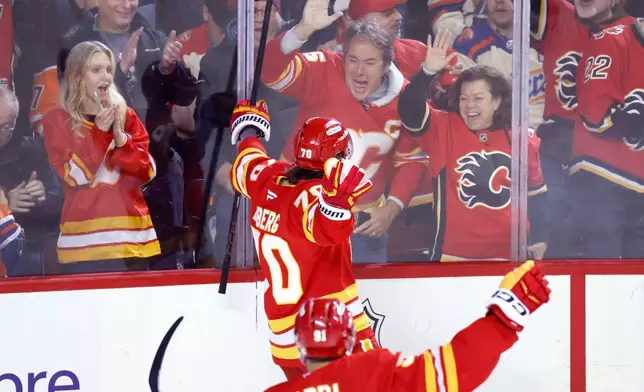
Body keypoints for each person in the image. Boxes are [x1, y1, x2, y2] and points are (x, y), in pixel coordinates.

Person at [262, 0, 429, 263]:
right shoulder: (323, 68)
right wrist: (301, 31)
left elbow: (413, 159)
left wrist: (392, 208)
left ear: (386, 65)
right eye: (353, 60)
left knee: (356, 304)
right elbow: (270, 72)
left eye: (370, 63)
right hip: (298, 216)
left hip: (360, 230)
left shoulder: (407, 100)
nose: (359, 71)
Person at [229, 99, 379, 380]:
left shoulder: (267, 176)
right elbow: (327, 229)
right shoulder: (315, 196)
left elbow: (248, 161)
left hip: (286, 338)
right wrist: (336, 202)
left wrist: (250, 132)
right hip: (332, 327)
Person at [266, 260, 551, 392]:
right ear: (350, 339)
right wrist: (504, 317)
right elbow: (456, 368)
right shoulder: (375, 369)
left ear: (299, 348)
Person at [398, 29, 549, 261]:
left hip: (507, 260)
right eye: (463, 98)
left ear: (497, 101)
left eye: (478, 98)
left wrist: (542, 239)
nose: (469, 106)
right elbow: (409, 109)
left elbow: (537, 196)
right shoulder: (443, 128)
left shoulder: (521, 139)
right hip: (452, 260)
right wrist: (427, 71)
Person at [532, 0, 643, 259]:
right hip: (566, 155)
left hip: (617, 164)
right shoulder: (559, 14)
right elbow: (597, 115)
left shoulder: (624, 33)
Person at [42, 40, 160, 273]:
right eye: (95, 70)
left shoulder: (126, 115)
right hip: (83, 247)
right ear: (77, 77)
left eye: (108, 69)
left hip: (133, 242)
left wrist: (121, 140)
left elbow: (147, 171)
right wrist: (99, 136)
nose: (105, 76)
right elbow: (74, 175)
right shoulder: (57, 121)